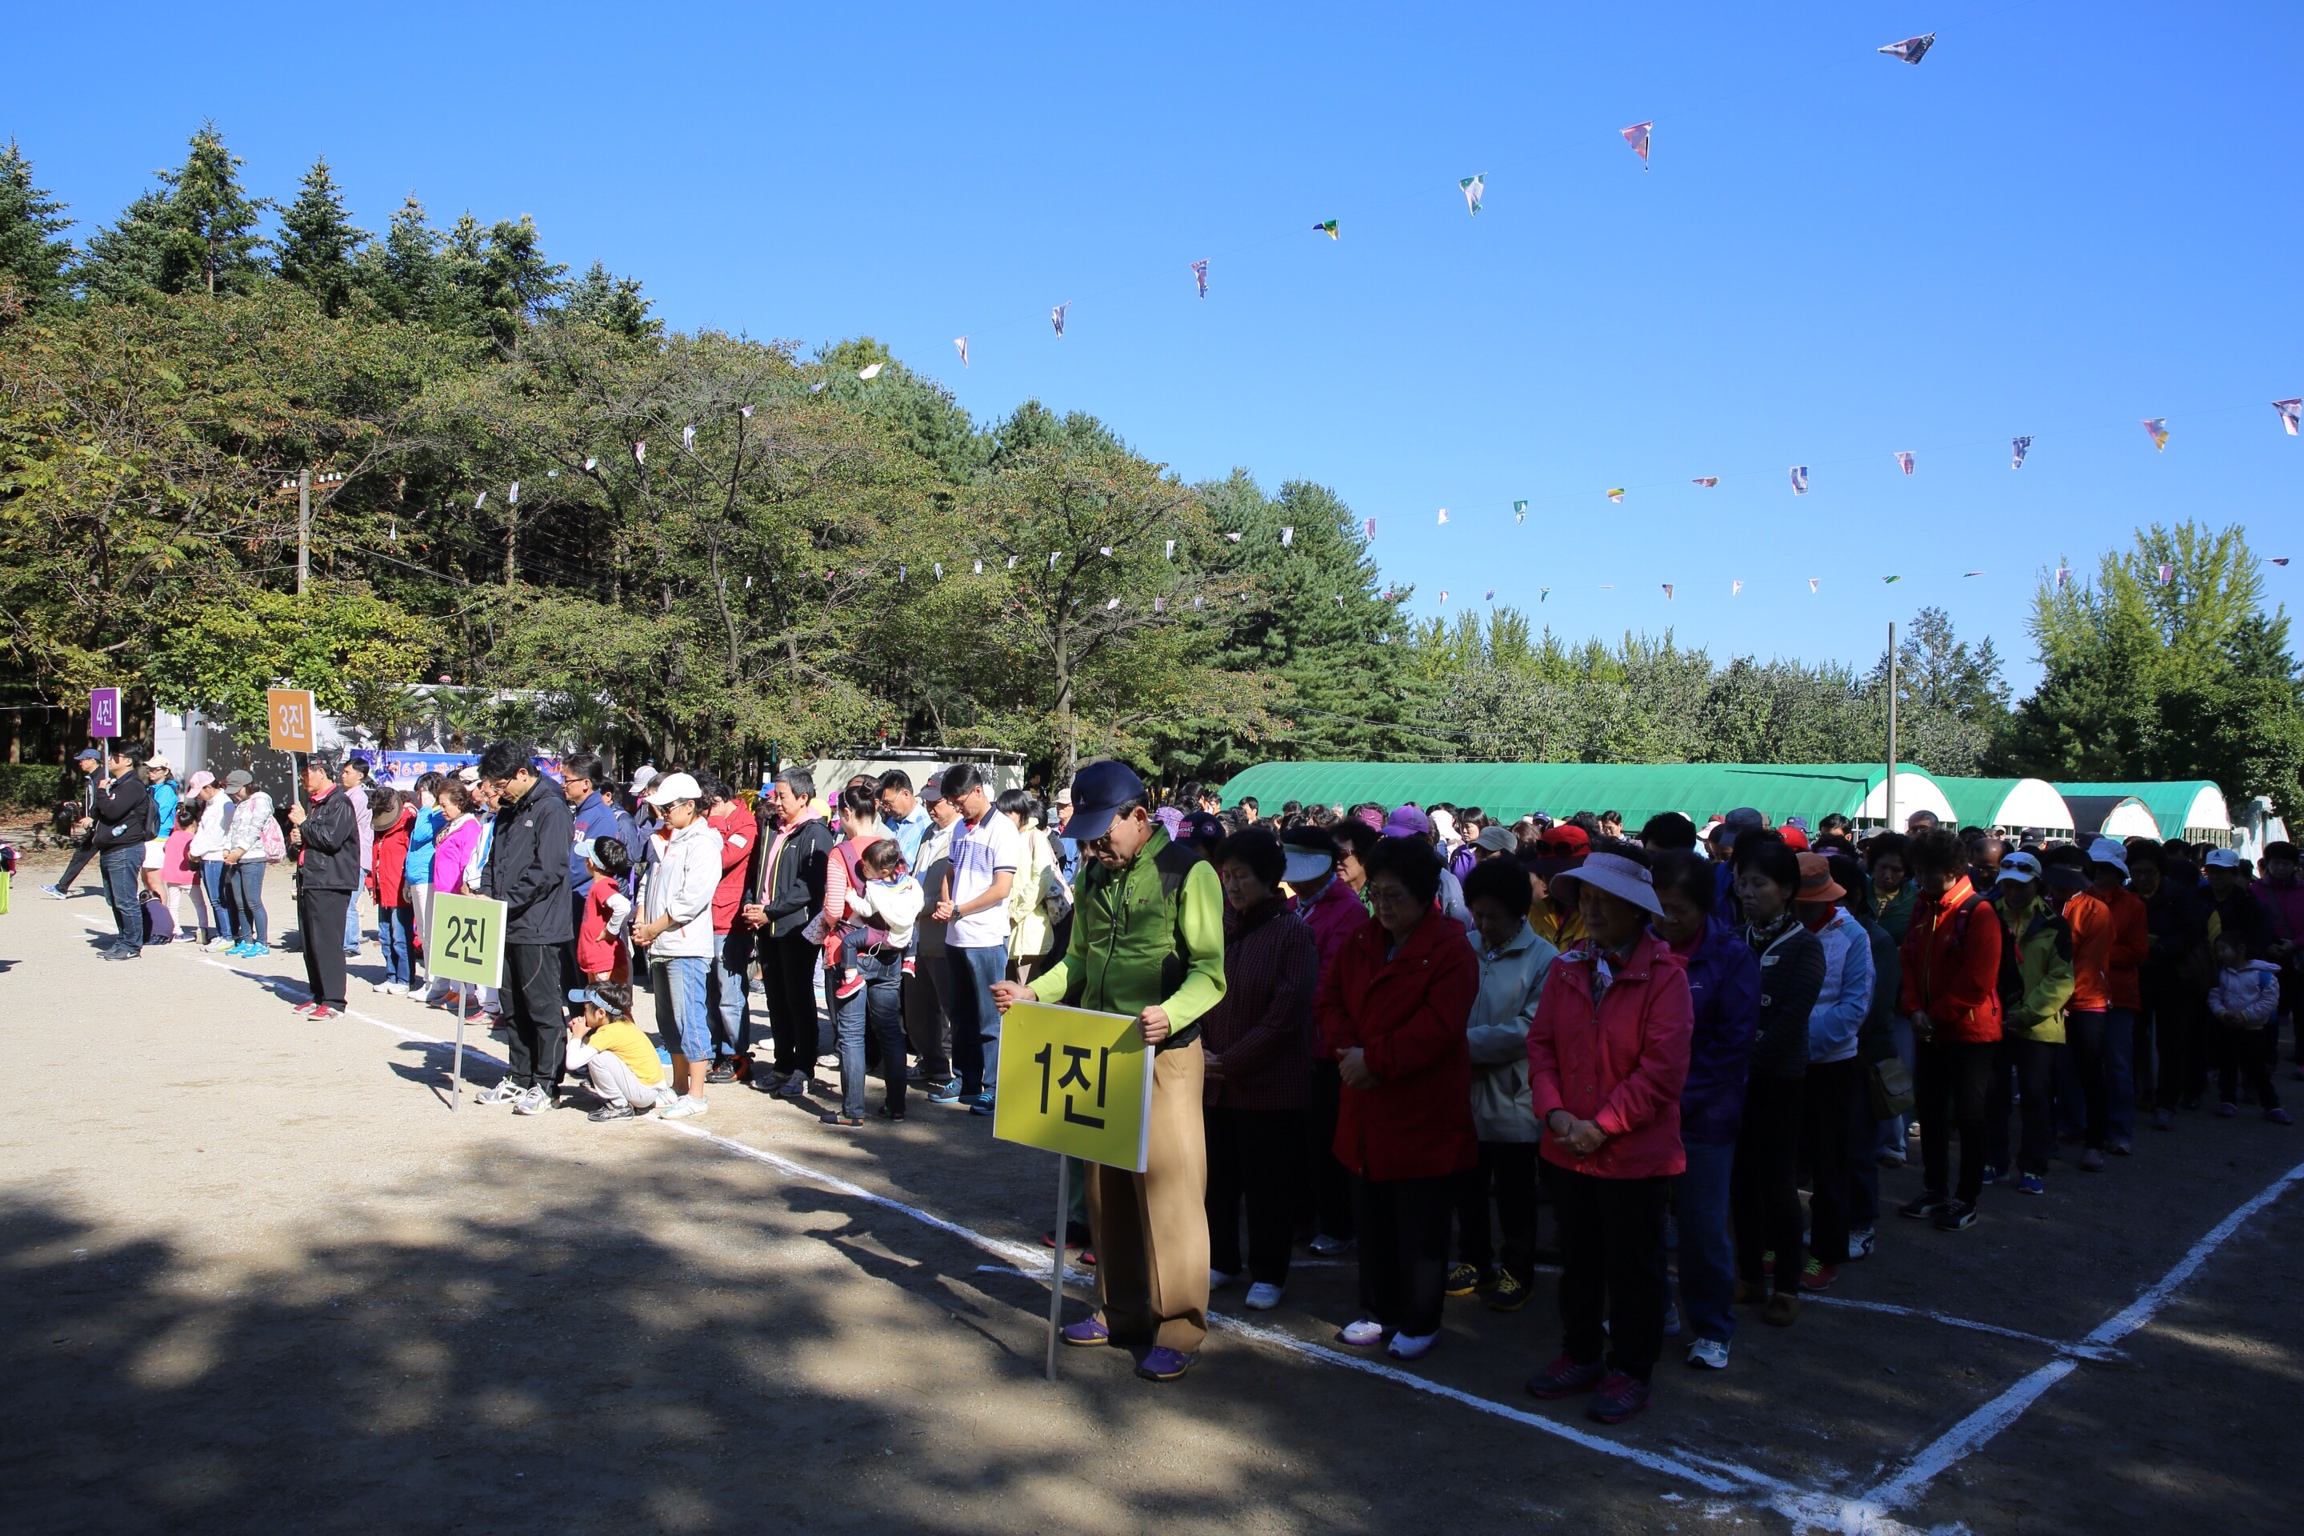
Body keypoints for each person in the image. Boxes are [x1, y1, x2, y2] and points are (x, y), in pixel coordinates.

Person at [999, 758, 1226, 1383]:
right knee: (1105, 1187)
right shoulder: (1096, 876)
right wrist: (1034, 996)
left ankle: (1180, 1324)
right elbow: (1074, 961)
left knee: (1171, 1191)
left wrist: (1170, 1015)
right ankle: (1118, 1308)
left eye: (1105, 831)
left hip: (1166, 1054)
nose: (1095, 845)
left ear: (1140, 817)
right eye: (1089, 834)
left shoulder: (1190, 873)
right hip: (1100, 1051)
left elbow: (1211, 971)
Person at [1523, 848, 1693, 1425]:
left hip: (1633, 1155)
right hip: (1568, 1145)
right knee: (1579, 1260)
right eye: (1585, 900)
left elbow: (1662, 1071)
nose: (1590, 911)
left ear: (1636, 910)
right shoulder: (1566, 967)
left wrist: (1602, 1126)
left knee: (1634, 1269)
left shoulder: (1665, 977)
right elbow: (1541, 1047)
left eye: (1603, 901)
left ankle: (1632, 1369)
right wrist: (1556, 1115)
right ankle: (1582, 1354)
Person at [1318, 834, 1477, 1365]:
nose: (1383, 907)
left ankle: (1421, 1318)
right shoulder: (1362, 940)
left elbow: (1438, 1029)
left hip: (1421, 1110)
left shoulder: (1452, 949)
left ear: (1426, 895)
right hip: (1363, 1104)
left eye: (1395, 897)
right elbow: (1330, 1000)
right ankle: (1378, 1308)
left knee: (1421, 1225)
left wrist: (1374, 1060)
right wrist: (1348, 1051)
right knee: (1373, 1218)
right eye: (1377, 895)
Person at [1201, 827, 1320, 1312]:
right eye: (1226, 875)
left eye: (1241, 876)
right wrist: (1206, 1053)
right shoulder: (1221, 926)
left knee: (1269, 1186)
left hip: (1270, 1086)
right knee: (1219, 1180)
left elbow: (1285, 1015)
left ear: (1270, 878)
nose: (1231, 886)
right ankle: (1223, 1259)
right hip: (1215, 1081)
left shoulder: (1294, 932)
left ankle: (1269, 1272)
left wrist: (1228, 1062)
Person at [1648, 850, 1758, 1370]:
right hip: (1642, 1114)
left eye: (1679, 910)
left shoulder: (1730, 957)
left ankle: (1712, 1327)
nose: (1668, 920)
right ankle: (1657, 1309)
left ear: (1706, 907)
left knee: (1701, 1228)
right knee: (1643, 1223)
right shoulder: (1639, 949)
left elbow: (1730, 1048)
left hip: (1704, 1118)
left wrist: (1669, 1096)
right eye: (1658, 908)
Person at [1450, 856, 1557, 1314]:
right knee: (1467, 1188)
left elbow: (1530, 1029)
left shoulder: (1545, 959)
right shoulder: (1464, 947)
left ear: (1519, 912)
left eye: (1495, 915)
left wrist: (1458, 1046)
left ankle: (1518, 1270)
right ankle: (1475, 1261)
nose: (1485, 923)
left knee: (1515, 1194)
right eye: (1479, 913)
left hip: (1513, 1097)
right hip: (1461, 1094)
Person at [1729, 837, 1824, 1324]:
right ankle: (1749, 1274)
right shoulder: (1734, 940)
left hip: (1778, 1081)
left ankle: (1787, 1283)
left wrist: (1740, 1057)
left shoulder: (1805, 947)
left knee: (1778, 1185)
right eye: (1742, 881)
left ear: (1786, 889)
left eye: (1759, 883)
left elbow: (1791, 1019)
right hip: (1735, 1083)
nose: (1747, 892)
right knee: (1740, 1182)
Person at [1898, 826, 2004, 1229]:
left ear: (1954, 868)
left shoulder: (1979, 911)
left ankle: (1966, 1197)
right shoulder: (1924, 906)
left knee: (1970, 1115)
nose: (1922, 877)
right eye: (1919, 869)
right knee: (1931, 1111)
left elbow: (1978, 980)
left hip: (1970, 1033)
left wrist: (1932, 1016)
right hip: (1931, 1028)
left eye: (1930, 870)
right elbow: (1908, 958)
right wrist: (1913, 1009)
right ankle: (1936, 1188)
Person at [471, 740, 575, 1116]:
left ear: (521, 773)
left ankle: (547, 1083)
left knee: (542, 1006)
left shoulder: (551, 807)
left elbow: (548, 870)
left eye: (499, 785)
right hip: (504, 922)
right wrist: (485, 892)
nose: (497, 793)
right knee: (511, 1005)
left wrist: (506, 901)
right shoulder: (508, 811)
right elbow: (493, 861)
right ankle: (518, 1075)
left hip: (539, 925)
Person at [1282, 824, 1364, 1257]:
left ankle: (1336, 1222)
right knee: (1296, 1139)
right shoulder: (1296, 906)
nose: (1291, 879)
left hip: (1322, 1045)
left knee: (1325, 1139)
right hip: (1290, 1041)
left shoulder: (1348, 912)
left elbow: (1331, 982)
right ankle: (1303, 1215)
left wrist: (1284, 1006)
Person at [1795, 853, 1872, 1292]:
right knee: (1780, 1158)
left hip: (1833, 1064)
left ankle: (1825, 1251)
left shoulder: (1852, 935)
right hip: (1781, 1062)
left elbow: (1854, 1005)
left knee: (1830, 1161)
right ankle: (1774, 1241)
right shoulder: (1778, 931)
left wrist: (1802, 1043)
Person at [628, 772, 720, 1120]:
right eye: (660, 807)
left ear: (690, 806)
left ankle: (696, 1093)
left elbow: (691, 899)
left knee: (689, 1018)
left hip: (685, 946)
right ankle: (680, 1085)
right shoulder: (668, 839)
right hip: (660, 943)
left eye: (668, 807)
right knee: (667, 1019)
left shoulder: (703, 842)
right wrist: (643, 920)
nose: (663, 812)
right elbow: (648, 883)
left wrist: (653, 927)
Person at [1984, 852, 2074, 1196]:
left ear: (2037, 884)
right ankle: (1993, 1160)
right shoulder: (1988, 915)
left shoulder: (2054, 924)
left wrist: (2026, 1013)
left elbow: (2061, 978)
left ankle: (2033, 1166)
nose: (2013, 892)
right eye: (2006, 885)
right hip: (1995, 1020)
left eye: (2020, 885)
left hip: (2038, 1027)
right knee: (1993, 1094)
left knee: (2036, 1096)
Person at [937, 763, 1021, 1115]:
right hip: (956, 936)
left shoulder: (1002, 830)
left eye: (959, 801)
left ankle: (994, 1087)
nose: (957, 808)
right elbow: (951, 871)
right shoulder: (960, 829)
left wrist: (960, 909)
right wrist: (946, 903)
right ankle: (966, 1079)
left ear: (977, 791)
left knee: (990, 1017)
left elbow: (1002, 888)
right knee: (961, 1014)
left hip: (986, 936)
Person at [746, 768, 834, 1099]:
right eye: (775, 796)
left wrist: (770, 910)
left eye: (782, 796)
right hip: (766, 927)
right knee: (776, 999)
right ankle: (782, 1064)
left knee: (798, 1000)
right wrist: (752, 907)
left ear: (803, 798)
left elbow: (808, 888)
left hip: (796, 929)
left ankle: (803, 1067)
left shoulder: (815, 834)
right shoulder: (771, 828)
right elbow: (757, 873)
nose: (776, 802)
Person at [823, 834, 921, 1126]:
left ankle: (852, 1111)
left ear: (847, 812)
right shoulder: (893, 854)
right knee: (890, 1031)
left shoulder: (842, 853)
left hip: (861, 952)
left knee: (852, 1035)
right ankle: (896, 1106)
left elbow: (833, 910)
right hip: (892, 955)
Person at [2064, 838, 2147, 1166]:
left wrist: (2096, 952)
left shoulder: (2133, 906)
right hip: (2078, 994)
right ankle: (2073, 1124)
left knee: (2116, 1064)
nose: (2099, 874)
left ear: (2118, 873)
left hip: (2118, 995)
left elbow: (2138, 951)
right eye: (2095, 868)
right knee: (2072, 1062)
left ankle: (2119, 1131)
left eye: (2106, 869)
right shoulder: (2075, 902)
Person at [903, 777, 962, 1104]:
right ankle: (931, 1062)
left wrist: (914, 906)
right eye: (926, 801)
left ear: (953, 801)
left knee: (947, 1007)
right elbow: (916, 877)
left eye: (935, 802)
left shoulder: (960, 834)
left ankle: (957, 1071)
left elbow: (948, 891)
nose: (929, 807)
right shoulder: (928, 832)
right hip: (917, 933)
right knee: (918, 1005)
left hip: (941, 932)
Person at [287, 755, 358, 1017]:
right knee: (310, 941)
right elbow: (309, 839)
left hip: (330, 881)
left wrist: (304, 824)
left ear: (321, 773)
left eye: (306, 774)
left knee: (327, 941)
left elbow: (331, 839)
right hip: (311, 879)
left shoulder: (339, 802)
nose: (303, 780)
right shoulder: (315, 805)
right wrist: (297, 837)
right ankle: (318, 994)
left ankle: (334, 1000)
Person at [699, 773, 759, 1082]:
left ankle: (737, 1055)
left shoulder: (745, 824)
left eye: (704, 809)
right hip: (706, 919)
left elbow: (718, 858)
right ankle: (716, 1051)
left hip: (730, 921)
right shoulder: (720, 823)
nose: (702, 816)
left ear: (718, 802)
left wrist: (712, 828)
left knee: (730, 995)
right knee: (711, 995)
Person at [2207, 929, 2290, 1122]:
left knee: (2257, 1069)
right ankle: (2227, 1100)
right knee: (2227, 1066)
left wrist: (2245, 1015)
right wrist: (2222, 1013)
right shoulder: (2221, 975)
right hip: (2227, 1029)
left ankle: (2271, 1104)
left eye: (2223, 949)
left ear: (2240, 949)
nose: (2219, 954)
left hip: (2254, 1031)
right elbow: (2214, 997)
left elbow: (2269, 1001)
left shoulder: (2263, 974)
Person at [563, 981, 675, 1122]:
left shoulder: (608, 1033)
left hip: (644, 1093)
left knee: (598, 1058)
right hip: (650, 1091)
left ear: (600, 1013)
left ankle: (619, 1106)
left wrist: (577, 1036)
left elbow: (572, 1063)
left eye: (585, 1009)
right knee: (597, 1054)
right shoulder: (621, 1024)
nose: (583, 1014)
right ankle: (623, 1101)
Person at [420, 779, 484, 1003]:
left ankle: (467, 991)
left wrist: (464, 890)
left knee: (462, 946)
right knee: (450, 945)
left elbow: (468, 861)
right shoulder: (453, 825)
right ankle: (455, 987)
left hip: (457, 893)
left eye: (445, 804)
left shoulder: (470, 827)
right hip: (444, 892)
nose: (442, 809)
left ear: (459, 802)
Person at [2251, 842, 2302, 1075]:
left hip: (2298, 957)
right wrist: (2266, 945)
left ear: (2294, 866)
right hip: (2267, 955)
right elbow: (2249, 923)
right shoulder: (2255, 891)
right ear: (2267, 864)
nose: (2281, 868)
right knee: (2268, 1008)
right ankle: (2266, 1058)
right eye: (2276, 863)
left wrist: (2294, 943)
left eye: (2286, 863)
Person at [217, 769, 277, 957]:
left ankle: (262, 942)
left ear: (247, 785)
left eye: (237, 789)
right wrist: (227, 849)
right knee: (240, 902)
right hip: (236, 858)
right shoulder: (241, 804)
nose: (235, 793)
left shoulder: (261, 799)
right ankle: (246, 939)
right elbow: (233, 829)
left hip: (253, 856)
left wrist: (239, 851)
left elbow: (254, 829)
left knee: (253, 901)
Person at [42, 747, 107, 899]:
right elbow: (91, 802)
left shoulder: (102, 778)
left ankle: (61, 888)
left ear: (93, 761)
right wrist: (77, 805)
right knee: (81, 857)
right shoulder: (91, 778)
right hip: (96, 828)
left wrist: (93, 818)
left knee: (108, 862)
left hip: (103, 827)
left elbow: (105, 802)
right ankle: (61, 888)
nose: (80, 763)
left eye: (83, 760)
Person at [186, 770, 239, 952]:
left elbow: (216, 834)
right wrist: (195, 849)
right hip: (206, 856)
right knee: (214, 899)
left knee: (218, 899)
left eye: (200, 791)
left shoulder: (224, 804)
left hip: (215, 856)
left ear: (208, 787)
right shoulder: (211, 804)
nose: (199, 796)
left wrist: (195, 851)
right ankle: (222, 933)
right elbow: (202, 830)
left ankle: (227, 935)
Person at [370, 789, 416, 994]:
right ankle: (391, 975)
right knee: (385, 935)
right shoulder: (379, 830)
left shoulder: (407, 824)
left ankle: (405, 978)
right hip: (383, 889)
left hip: (399, 890)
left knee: (400, 935)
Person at [401, 773, 444, 991]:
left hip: (428, 878)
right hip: (417, 877)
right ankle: (429, 980)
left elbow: (419, 836)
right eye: (419, 790)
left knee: (430, 932)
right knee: (424, 932)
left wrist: (426, 808)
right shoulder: (427, 814)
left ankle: (433, 982)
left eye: (424, 790)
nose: (420, 795)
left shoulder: (436, 814)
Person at [576, 837, 634, 987]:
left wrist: (611, 931)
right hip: (600, 962)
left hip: (604, 963)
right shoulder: (603, 886)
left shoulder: (601, 887)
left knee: (606, 1006)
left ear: (591, 862)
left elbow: (624, 906)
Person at [339, 756, 374, 956]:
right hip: (352, 855)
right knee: (346, 901)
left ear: (360, 776)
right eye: (343, 772)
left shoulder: (357, 798)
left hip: (356, 855)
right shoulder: (350, 796)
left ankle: (350, 944)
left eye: (347, 772)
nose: (343, 776)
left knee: (349, 901)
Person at [138, 753, 180, 904]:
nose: (151, 772)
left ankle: (161, 915)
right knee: (146, 879)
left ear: (165, 771)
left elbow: (158, 814)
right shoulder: (152, 788)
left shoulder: (167, 790)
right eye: (149, 769)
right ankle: (153, 912)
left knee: (154, 880)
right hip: (149, 836)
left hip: (157, 837)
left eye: (155, 769)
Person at [160, 799, 201, 941]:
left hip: (171, 876)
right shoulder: (193, 838)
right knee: (199, 904)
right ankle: (203, 928)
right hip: (189, 877)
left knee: (173, 905)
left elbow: (165, 849)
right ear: (193, 824)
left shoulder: (173, 836)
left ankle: (175, 930)